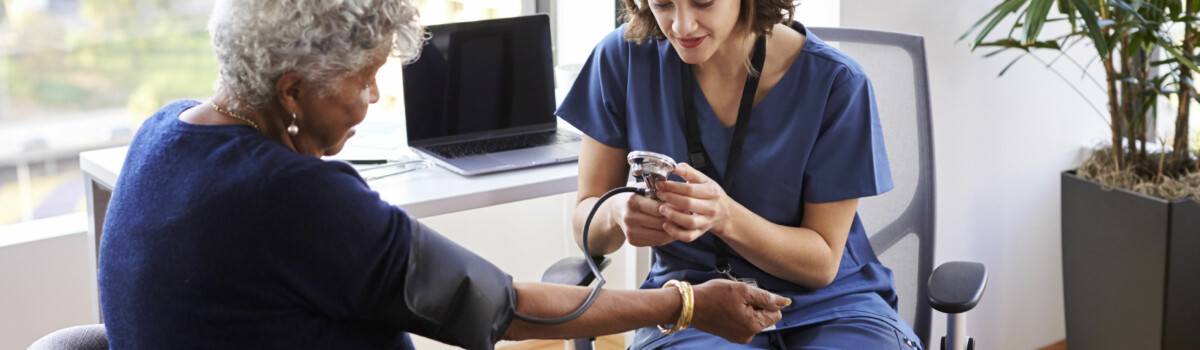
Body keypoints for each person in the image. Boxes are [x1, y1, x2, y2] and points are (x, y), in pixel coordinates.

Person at [97, 1, 790, 349]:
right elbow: (499, 305)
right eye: (365, 82)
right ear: (289, 91)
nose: (373, 101)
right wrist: (687, 305)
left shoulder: (166, 131)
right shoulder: (296, 197)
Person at [557, 0, 924, 348]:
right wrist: (615, 214)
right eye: (662, 3)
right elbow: (587, 229)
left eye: (703, 2)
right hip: (694, 304)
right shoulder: (621, 60)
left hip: (833, 306)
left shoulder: (836, 82)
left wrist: (725, 216)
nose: (681, 25)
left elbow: (822, 264)